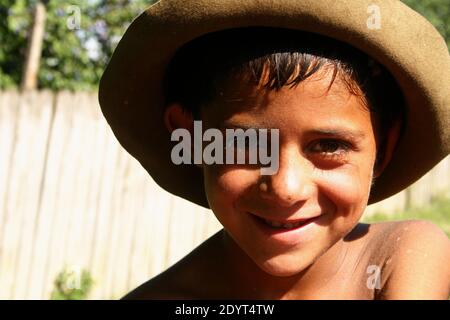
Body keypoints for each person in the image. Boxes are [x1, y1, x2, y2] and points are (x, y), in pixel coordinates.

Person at [98, 0, 450, 299]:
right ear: (188, 140)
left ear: (383, 149)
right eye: (244, 143)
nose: (285, 188)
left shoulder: (403, 259)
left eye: (329, 146)